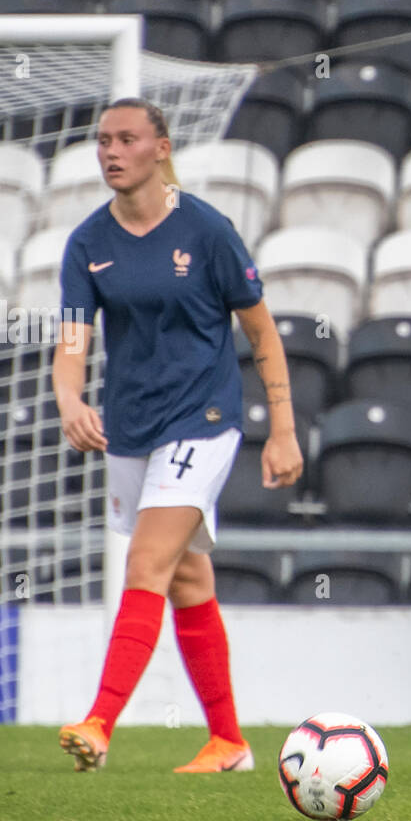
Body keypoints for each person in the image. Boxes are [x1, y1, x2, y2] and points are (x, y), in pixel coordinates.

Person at [52, 97, 302, 773]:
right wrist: (68, 397)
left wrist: (282, 429)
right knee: (188, 577)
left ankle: (99, 723)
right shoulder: (87, 244)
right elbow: (72, 343)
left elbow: (262, 334)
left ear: (160, 148)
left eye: (126, 139)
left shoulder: (207, 231)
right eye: (103, 140)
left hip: (206, 419)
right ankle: (229, 742)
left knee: (147, 564)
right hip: (130, 427)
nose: (110, 151)